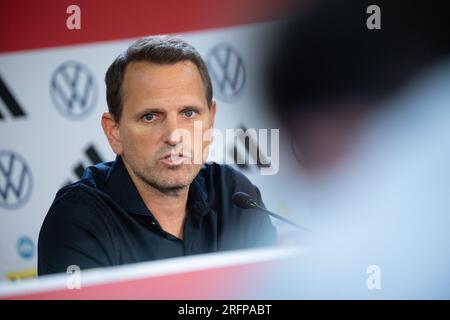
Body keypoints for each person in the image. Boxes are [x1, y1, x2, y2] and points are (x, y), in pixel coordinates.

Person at [38, 36, 277, 276]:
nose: (174, 136)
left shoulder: (234, 196)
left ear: (211, 120)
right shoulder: (78, 219)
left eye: (189, 113)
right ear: (115, 132)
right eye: (150, 116)